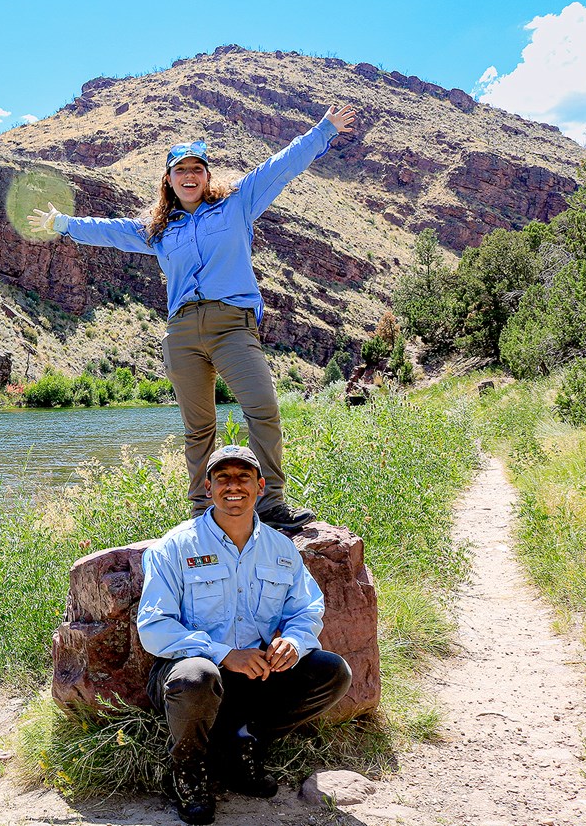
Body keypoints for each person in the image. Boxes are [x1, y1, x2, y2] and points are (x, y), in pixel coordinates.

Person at [28, 105, 357, 529]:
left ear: (207, 174)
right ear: (168, 178)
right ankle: (204, 513)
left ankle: (271, 504)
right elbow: (111, 230)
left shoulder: (238, 203)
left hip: (232, 326)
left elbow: (282, 165)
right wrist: (64, 223)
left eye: (196, 169)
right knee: (199, 428)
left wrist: (323, 130)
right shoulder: (159, 228)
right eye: (179, 169)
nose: (189, 176)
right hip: (182, 334)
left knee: (263, 408)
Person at [135, 444, 352, 824]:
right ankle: (188, 771)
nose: (233, 486)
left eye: (243, 477)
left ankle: (241, 746)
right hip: (192, 679)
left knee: (331, 671)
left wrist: (294, 642)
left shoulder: (281, 548)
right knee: (196, 676)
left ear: (260, 486)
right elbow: (155, 627)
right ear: (208, 488)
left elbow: (306, 609)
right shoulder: (175, 546)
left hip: (257, 675)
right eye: (223, 478)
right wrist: (221, 653)